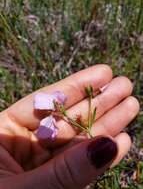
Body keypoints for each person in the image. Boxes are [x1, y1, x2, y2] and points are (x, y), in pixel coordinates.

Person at [0, 64, 139, 189]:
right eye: (56, 107)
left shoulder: (59, 112)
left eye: (58, 106)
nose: (57, 108)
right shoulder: (53, 118)